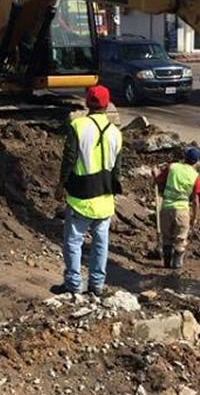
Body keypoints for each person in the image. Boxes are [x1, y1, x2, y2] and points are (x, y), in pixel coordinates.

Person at [52, 85, 123, 296]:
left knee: (73, 242)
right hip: (105, 196)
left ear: (87, 103)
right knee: (101, 244)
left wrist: (61, 183)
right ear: (107, 104)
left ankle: (73, 285)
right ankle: (96, 285)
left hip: (81, 196)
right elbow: (117, 169)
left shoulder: (78, 126)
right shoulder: (116, 133)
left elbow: (69, 158)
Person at [153, 147, 200, 270]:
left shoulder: (173, 167)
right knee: (180, 240)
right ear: (196, 162)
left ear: (184, 157)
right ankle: (177, 266)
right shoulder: (195, 176)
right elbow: (196, 200)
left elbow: (159, 179)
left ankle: (166, 264)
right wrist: (194, 217)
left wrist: (154, 173)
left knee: (167, 238)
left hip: (166, 208)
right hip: (182, 211)